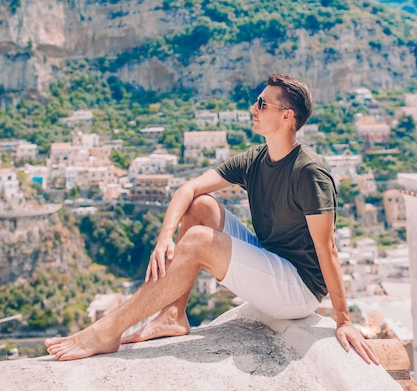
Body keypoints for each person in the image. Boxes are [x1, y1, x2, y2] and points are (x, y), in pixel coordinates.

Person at [45, 73, 379, 365]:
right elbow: (188, 188)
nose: (254, 108)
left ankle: (108, 330)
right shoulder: (256, 159)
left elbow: (328, 250)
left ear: (287, 117)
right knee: (200, 205)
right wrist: (164, 237)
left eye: (262, 104)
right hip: (271, 259)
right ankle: (173, 314)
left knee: (199, 241)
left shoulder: (309, 172)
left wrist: (343, 320)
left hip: (299, 288)